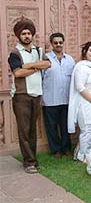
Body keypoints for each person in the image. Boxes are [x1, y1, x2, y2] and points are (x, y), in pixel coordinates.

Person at [8, 17, 51, 173]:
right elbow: (18, 72)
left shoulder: (38, 51)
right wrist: (36, 68)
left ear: (32, 35)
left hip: (36, 95)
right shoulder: (15, 53)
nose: (26, 36)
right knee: (24, 130)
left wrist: (31, 65)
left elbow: (47, 64)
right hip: (21, 96)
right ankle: (29, 162)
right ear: (19, 36)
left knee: (32, 129)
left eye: (29, 33)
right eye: (23, 33)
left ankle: (32, 159)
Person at [68, 41, 91, 163]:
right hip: (85, 103)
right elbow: (80, 87)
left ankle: (84, 151)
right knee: (87, 129)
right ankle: (82, 155)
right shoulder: (81, 67)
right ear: (85, 52)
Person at [42, 33, 75, 158]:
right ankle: (56, 149)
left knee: (66, 126)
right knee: (51, 127)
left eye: (60, 42)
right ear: (51, 44)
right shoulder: (46, 59)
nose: (58, 45)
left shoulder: (70, 60)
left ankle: (66, 148)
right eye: (55, 43)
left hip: (66, 99)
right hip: (50, 99)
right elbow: (41, 78)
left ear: (63, 42)